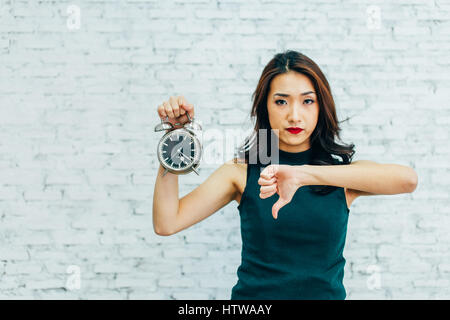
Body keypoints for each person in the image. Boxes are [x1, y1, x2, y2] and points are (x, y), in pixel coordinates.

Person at [152, 50, 418, 300]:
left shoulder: (341, 176)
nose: (294, 115)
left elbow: (408, 180)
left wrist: (303, 175)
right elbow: (167, 223)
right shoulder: (241, 172)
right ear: (265, 107)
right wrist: (175, 138)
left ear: (320, 107)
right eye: (281, 101)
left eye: (307, 101)